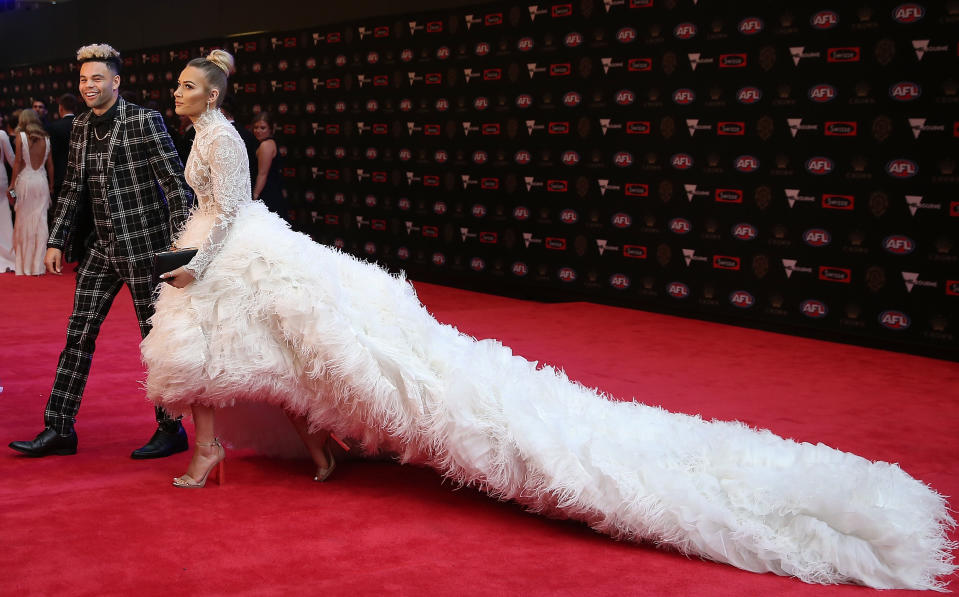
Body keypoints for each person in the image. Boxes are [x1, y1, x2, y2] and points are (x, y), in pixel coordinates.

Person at [142, 50, 955, 590]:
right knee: (271, 356)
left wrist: (194, 265)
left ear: (210, 95)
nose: (175, 93)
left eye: (185, 85)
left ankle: (229, 448)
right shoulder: (202, 132)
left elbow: (236, 208)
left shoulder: (221, 139)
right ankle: (279, 444)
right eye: (177, 86)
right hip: (229, 253)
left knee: (306, 357)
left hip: (231, 250)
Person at [8, 43, 194, 459]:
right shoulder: (78, 127)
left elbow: (175, 186)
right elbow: (72, 188)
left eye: (97, 78)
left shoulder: (144, 121)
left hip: (147, 252)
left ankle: (171, 428)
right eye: (83, 80)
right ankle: (59, 428)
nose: (89, 86)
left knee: (154, 341)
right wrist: (57, 240)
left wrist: (178, 247)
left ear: (116, 81)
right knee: (78, 334)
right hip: (101, 250)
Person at [9, 109, 53, 276]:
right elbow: (50, 166)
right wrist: (51, 186)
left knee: (23, 221)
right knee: (41, 222)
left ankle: (24, 266)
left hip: (26, 183)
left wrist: (12, 184)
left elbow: (18, 162)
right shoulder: (47, 139)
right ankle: (37, 266)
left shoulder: (20, 137)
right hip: (41, 182)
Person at [250, 111, 286, 220]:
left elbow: (262, 174)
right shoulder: (268, 143)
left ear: (270, 129)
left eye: (262, 128)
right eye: (256, 127)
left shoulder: (266, 145)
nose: (258, 131)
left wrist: (255, 197)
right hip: (271, 191)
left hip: (266, 193)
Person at [0, 113, 16, 272]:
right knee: (4, 214)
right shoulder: (2, 134)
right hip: (1, 178)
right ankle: (7, 254)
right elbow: (11, 158)